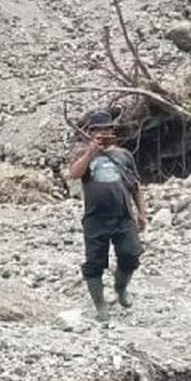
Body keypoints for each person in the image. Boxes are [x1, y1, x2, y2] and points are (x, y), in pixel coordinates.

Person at [66, 110, 147, 321]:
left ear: (112, 131)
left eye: (106, 130)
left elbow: (135, 186)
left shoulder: (123, 155)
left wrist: (142, 214)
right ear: (90, 133)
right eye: (97, 130)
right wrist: (90, 153)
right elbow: (74, 174)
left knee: (130, 255)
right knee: (94, 263)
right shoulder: (84, 154)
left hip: (123, 216)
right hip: (95, 218)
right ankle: (100, 304)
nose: (102, 133)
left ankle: (121, 288)